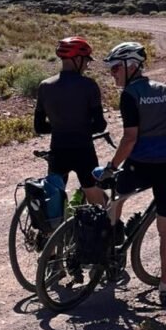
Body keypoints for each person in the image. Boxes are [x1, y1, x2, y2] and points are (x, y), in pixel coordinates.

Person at [101, 41, 166, 304]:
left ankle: (112, 247)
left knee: (114, 197)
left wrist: (111, 167)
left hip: (138, 166)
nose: (113, 73)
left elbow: (129, 139)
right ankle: (165, 287)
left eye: (116, 68)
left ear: (131, 66)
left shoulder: (130, 95)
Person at [34, 36, 107, 205]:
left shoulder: (45, 86)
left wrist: (60, 127)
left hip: (58, 150)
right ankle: (108, 229)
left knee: (55, 202)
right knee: (97, 204)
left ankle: (55, 231)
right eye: (87, 61)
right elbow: (100, 124)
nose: (87, 65)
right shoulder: (89, 86)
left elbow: (39, 127)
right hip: (84, 151)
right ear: (78, 59)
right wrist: (81, 128)